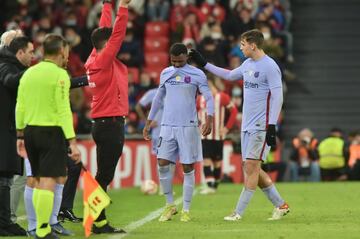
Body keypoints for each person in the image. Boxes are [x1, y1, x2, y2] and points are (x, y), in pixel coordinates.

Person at [189, 29, 289, 221]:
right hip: (247, 126)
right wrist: (204, 64)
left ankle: (238, 212)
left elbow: (278, 97)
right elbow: (228, 75)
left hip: (261, 125)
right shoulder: (248, 64)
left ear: (253, 45)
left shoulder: (270, 66)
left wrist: (272, 125)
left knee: (251, 166)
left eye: (242, 44)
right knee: (252, 168)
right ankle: (281, 205)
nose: (240, 47)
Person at [15, 33, 81, 239]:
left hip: (30, 132)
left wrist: (19, 135)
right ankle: (43, 229)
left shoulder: (29, 73)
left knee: (35, 179)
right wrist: (72, 141)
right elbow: (63, 110)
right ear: (61, 51)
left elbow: (20, 105)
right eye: (66, 52)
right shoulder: (60, 75)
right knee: (48, 182)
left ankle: (36, 227)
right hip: (50, 132)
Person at [143, 43, 214, 222]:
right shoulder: (165, 73)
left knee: (188, 167)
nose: (176, 64)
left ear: (186, 58)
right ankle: (170, 205)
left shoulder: (197, 74)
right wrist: (148, 122)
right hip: (167, 126)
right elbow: (158, 98)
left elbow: (209, 97)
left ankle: (187, 210)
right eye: (173, 61)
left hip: (188, 126)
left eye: (180, 61)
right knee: (162, 162)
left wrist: (210, 118)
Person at [84, 0, 131, 234]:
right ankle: (94, 220)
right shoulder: (103, 59)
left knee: (102, 174)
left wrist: (107, 5)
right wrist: (122, 8)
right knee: (104, 175)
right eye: (111, 41)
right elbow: (117, 34)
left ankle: (98, 220)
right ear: (106, 44)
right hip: (111, 124)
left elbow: (106, 31)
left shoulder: (95, 56)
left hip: (102, 123)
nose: (116, 44)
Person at [0, 35, 32, 236]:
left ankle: (5, 221)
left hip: (8, 129)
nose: (32, 56)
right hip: (5, 130)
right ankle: (4, 223)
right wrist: (32, 73)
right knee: (5, 179)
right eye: (29, 52)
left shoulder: (10, 65)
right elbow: (10, 81)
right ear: (19, 52)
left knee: (7, 178)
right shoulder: (5, 65)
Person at [198, 78, 238, 194]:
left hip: (218, 136)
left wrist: (226, 128)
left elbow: (234, 111)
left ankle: (214, 185)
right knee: (206, 160)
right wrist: (196, 124)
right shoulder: (200, 99)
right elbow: (192, 112)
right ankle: (210, 186)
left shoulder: (222, 97)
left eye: (209, 86)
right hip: (205, 136)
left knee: (217, 162)